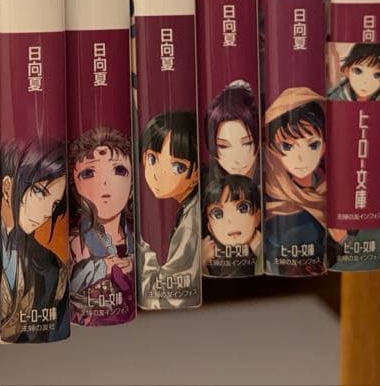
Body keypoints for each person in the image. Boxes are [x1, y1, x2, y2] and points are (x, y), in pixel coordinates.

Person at [0, 140, 69, 342]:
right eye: (40, 192)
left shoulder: (53, 269)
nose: (46, 213)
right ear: (7, 186)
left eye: (54, 204)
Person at [68, 127, 135, 325]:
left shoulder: (135, 237)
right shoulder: (76, 242)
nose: (105, 184)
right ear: (74, 185)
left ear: (132, 182)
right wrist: (101, 267)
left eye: (119, 170)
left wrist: (132, 264)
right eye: (89, 173)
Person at [138, 111, 200, 308]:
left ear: (197, 174)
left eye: (177, 167)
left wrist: (140, 249)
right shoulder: (191, 208)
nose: (159, 174)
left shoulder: (192, 223)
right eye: (152, 159)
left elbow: (164, 298)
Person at [263, 88, 326, 273]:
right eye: (288, 146)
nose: (301, 158)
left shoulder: (328, 188)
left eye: (313, 145)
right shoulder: (268, 196)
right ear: (272, 148)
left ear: (324, 146)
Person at [200, 173, 261, 277]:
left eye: (243, 208)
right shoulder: (207, 256)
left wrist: (262, 253)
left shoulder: (264, 249)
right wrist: (202, 262)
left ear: (257, 216)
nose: (231, 221)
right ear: (210, 226)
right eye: (217, 214)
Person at [205, 81, 260, 178]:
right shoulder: (206, 180)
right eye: (223, 146)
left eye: (247, 143)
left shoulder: (270, 177)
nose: (237, 160)